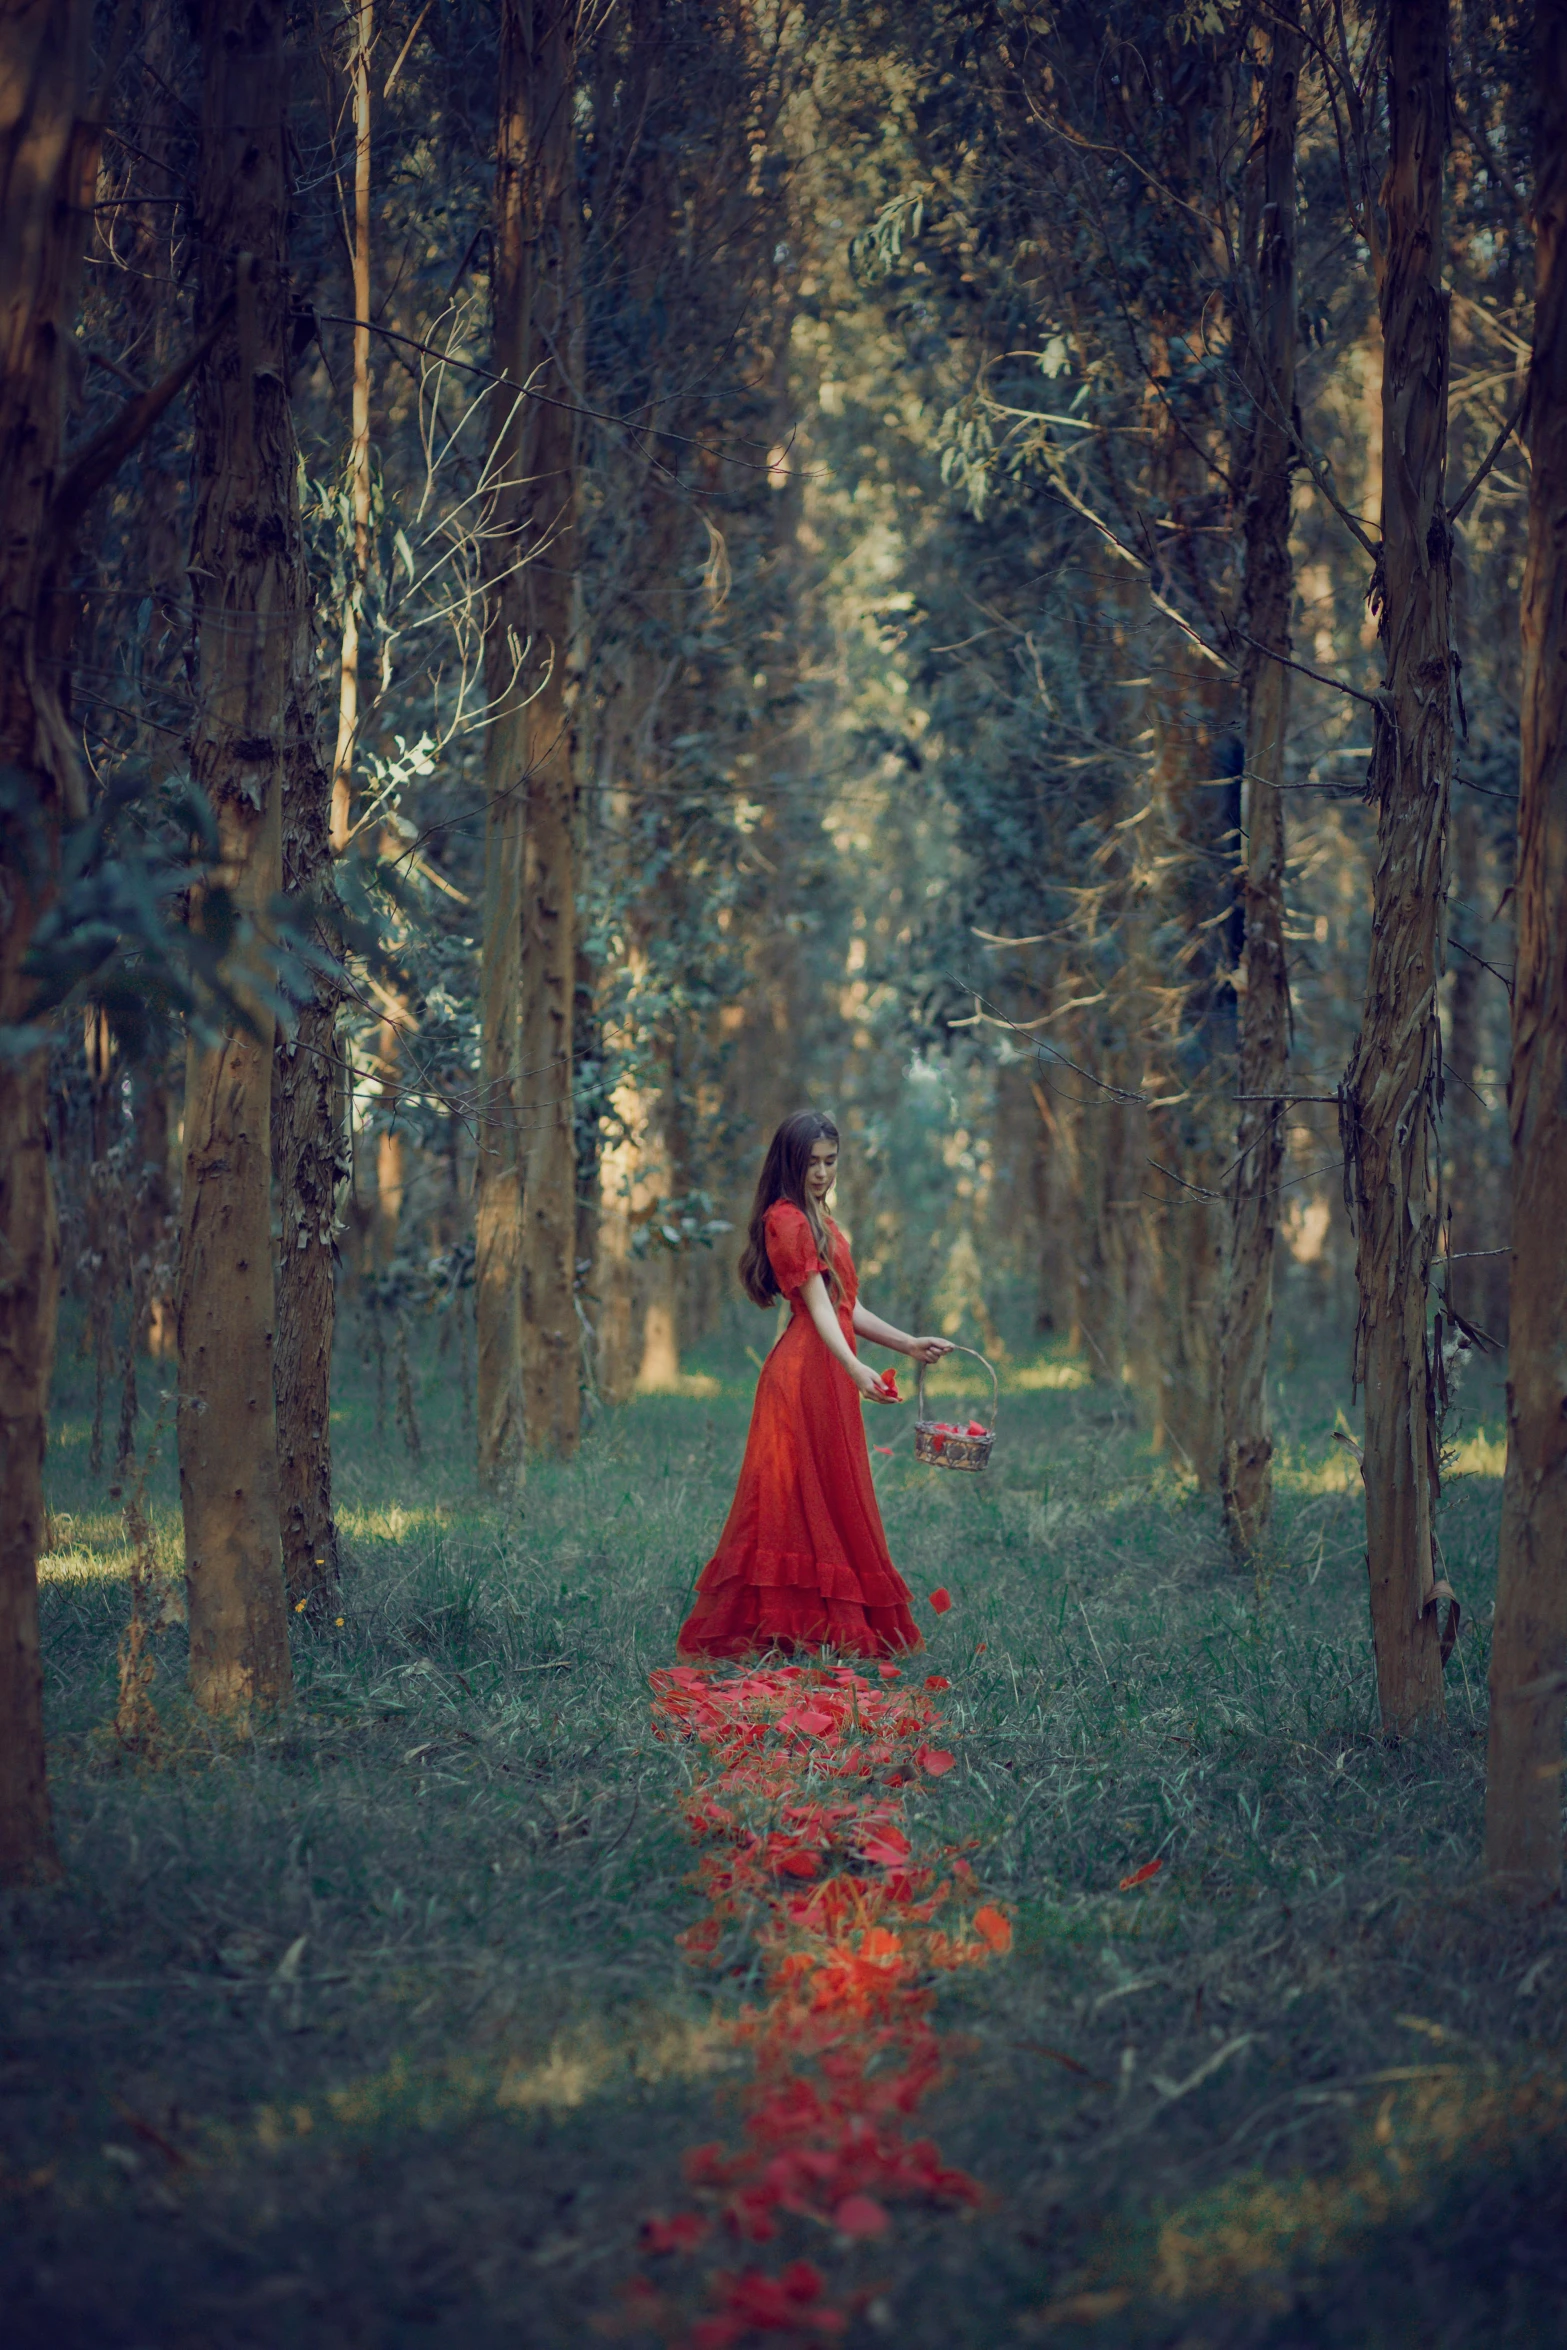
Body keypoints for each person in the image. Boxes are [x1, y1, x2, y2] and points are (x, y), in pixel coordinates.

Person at [676, 1109, 952, 1660]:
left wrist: (908, 1344)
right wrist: (854, 1367)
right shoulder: (787, 1221)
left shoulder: (818, 1219)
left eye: (830, 1161)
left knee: (831, 1493)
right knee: (787, 1497)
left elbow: (847, 1305)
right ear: (790, 1162)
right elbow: (820, 1312)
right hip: (804, 1375)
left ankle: (824, 1623)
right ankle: (782, 1622)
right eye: (812, 1162)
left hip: (827, 1368)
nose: (822, 1172)